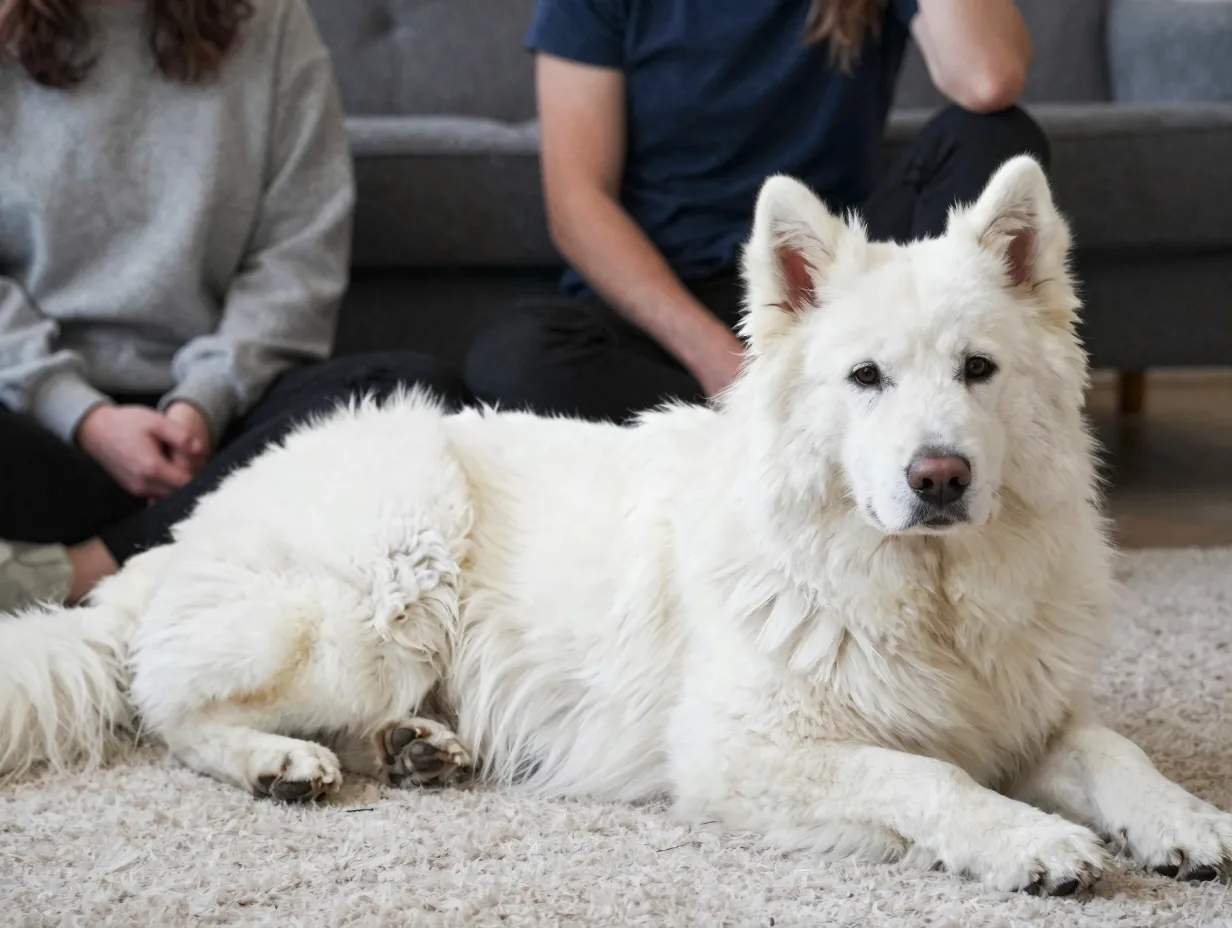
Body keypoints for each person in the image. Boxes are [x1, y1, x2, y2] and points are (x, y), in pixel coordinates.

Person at [0, 0, 470, 611]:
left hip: (220, 432)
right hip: (38, 417)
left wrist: (203, 401)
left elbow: (298, 255)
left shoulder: (272, 21)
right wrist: (82, 415)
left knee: (410, 394)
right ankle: (173, 547)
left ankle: (91, 568)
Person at [463, 0, 1048, 423]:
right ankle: (792, 433)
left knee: (993, 136)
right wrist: (722, 361)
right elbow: (577, 203)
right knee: (514, 359)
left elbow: (988, 78)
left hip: (833, 296)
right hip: (669, 307)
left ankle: (909, 409)